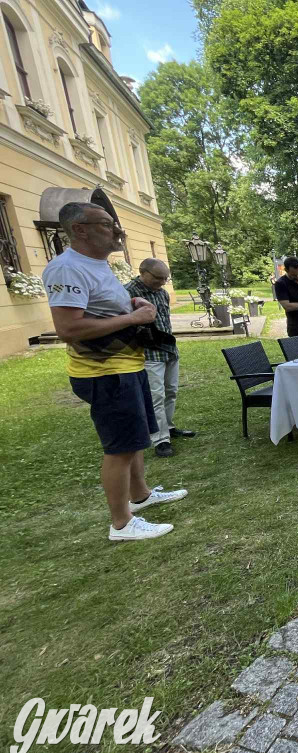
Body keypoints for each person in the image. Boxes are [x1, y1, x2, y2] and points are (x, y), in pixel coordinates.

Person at [42, 202, 186, 541]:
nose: (118, 231)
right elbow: (68, 328)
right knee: (119, 446)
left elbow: (102, 308)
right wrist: (132, 318)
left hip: (126, 364)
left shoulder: (96, 264)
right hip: (103, 371)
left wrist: (132, 305)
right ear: (80, 230)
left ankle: (140, 495)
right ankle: (121, 523)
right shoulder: (67, 268)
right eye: (107, 224)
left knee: (134, 438)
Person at [125, 258, 197, 458]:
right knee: (156, 396)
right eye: (158, 278)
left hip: (169, 350)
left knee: (171, 391)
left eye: (165, 278)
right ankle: (160, 439)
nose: (163, 282)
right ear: (143, 272)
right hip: (148, 353)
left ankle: (169, 427)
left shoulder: (163, 293)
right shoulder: (128, 292)